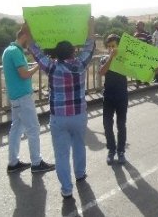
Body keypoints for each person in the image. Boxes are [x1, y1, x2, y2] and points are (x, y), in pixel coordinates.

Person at [27, 18, 96, 199]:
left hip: (59, 117)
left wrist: (28, 31)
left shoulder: (51, 67)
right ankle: (80, 174)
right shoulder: (81, 65)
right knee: (79, 145)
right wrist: (90, 27)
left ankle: (66, 189)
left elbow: (34, 50)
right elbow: (90, 45)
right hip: (79, 115)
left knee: (61, 154)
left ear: (57, 54)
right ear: (73, 52)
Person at [2, 26, 55, 174]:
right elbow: (24, 75)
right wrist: (38, 65)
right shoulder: (15, 52)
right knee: (33, 128)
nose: (30, 42)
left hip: (15, 97)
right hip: (23, 97)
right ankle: (37, 163)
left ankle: (13, 163)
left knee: (16, 129)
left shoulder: (9, 51)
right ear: (24, 35)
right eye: (30, 38)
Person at [99, 34, 128, 165]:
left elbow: (138, 70)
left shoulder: (125, 59)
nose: (111, 48)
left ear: (119, 46)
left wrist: (151, 70)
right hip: (108, 96)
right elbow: (102, 71)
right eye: (109, 46)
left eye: (114, 46)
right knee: (107, 125)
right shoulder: (104, 58)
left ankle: (121, 151)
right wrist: (111, 57)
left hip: (122, 96)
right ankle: (111, 150)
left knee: (121, 125)